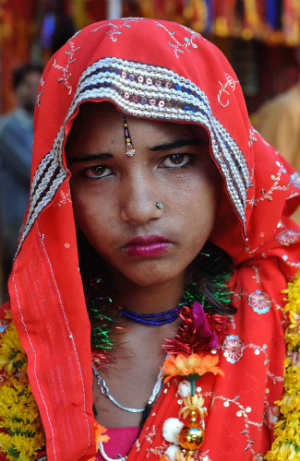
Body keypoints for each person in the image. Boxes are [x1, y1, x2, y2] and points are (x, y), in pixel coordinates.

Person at [0, 18, 300, 461]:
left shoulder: (286, 322)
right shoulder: (18, 349)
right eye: (97, 171)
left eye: (175, 159)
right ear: (62, 190)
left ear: (225, 167)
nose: (140, 208)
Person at [0, 63, 43, 296]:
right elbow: (33, 171)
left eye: (39, 85)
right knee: (23, 281)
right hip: (19, 217)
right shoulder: (9, 128)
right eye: (28, 86)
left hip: (38, 216)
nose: (34, 90)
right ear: (17, 90)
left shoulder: (43, 125)